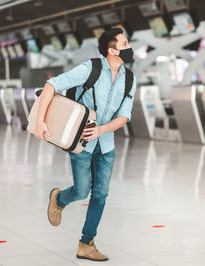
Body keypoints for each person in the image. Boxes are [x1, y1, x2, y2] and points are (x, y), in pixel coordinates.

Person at [34, 28, 136, 261]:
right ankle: (59, 199)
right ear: (112, 50)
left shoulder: (129, 78)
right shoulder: (90, 69)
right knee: (81, 191)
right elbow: (52, 85)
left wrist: (101, 130)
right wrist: (40, 122)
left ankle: (86, 243)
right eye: (125, 43)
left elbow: (124, 116)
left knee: (100, 195)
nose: (129, 47)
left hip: (106, 144)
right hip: (80, 142)